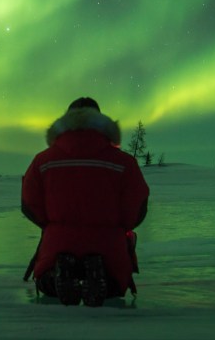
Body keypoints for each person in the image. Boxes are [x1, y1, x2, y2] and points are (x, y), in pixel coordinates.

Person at [21, 97, 149, 307]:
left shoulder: (43, 161)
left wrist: (52, 225)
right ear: (100, 121)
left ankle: (59, 272)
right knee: (115, 285)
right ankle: (101, 272)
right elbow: (136, 209)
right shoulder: (124, 163)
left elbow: (29, 204)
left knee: (47, 284)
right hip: (110, 248)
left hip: (56, 245)